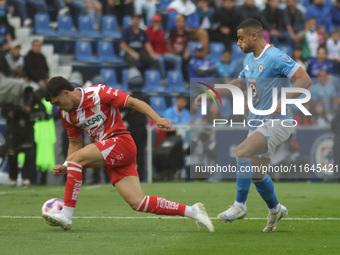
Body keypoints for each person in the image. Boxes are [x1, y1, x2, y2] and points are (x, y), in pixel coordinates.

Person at [42, 76, 214, 232]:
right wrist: (68, 165)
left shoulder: (98, 93)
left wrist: (157, 118)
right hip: (110, 154)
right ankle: (192, 211)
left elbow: (133, 102)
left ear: (66, 93)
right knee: (138, 202)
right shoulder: (67, 115)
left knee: (76, 159)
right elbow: (75, 143)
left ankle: (66, 215)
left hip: (121, 142)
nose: (58, 107)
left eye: (57, 102)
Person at [195, 18, 312, 232]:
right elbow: (240, 83)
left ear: (254, 36)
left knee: (242, 151)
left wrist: (282, 101)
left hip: (278, 121)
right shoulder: (249, 59)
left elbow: (304, 79)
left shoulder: (275, 56)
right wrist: (212, 93)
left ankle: (239, 205)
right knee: (257, 173)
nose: (238, 43)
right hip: (256, 122)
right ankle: (276, 209)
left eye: (240, 38)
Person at [146, 14, 182, 81]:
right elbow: (148, 44)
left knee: (177, 59)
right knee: (160, 60)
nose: (157, 23)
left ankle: (177, 78)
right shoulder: (148, 31)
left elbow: (165, 45)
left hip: (163, 53)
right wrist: (154, 32)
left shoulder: (161, 32)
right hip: (154, 53)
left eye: (158, 21)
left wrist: (171, 52)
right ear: (152, 22)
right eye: (155, 21)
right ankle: (164, 79)